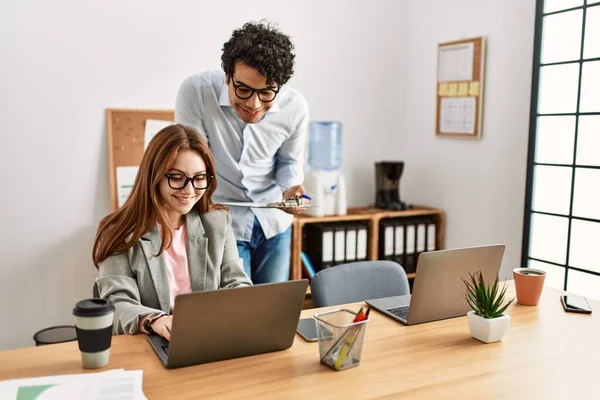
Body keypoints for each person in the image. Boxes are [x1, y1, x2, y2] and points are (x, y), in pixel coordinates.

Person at [175, 21, 309, 284]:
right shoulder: (197, 93)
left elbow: (288, 163)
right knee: (235, 313)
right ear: (227, 75)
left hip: (274, 224)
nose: (254, 104)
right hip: (222, 222)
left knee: (272, 311)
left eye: (267, 92)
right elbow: (191, 161)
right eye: (243, 89)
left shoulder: (296, 108)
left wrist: (291, 189)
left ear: (279, 86)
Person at [93, 124, 251, 340]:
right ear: (154, 176)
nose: (189, 190)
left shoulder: (218, 222)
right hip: (149, 342)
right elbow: (118, 303)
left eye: (199, 178)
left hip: (209, 337)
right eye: (176, 177)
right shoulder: (118, 232)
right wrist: (155, 320)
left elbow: (237, 284)